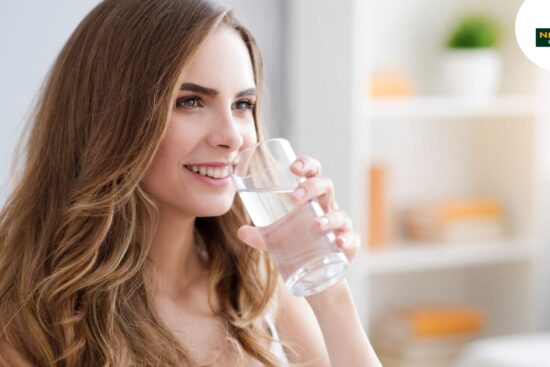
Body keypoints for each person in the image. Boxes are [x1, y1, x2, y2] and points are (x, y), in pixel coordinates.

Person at [0, 0, 381, 366]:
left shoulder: (258, 281)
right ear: (109, 119)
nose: (232, 136)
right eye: (190, 102)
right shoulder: (27, 317)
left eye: (242, 105)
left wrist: (328, 289)